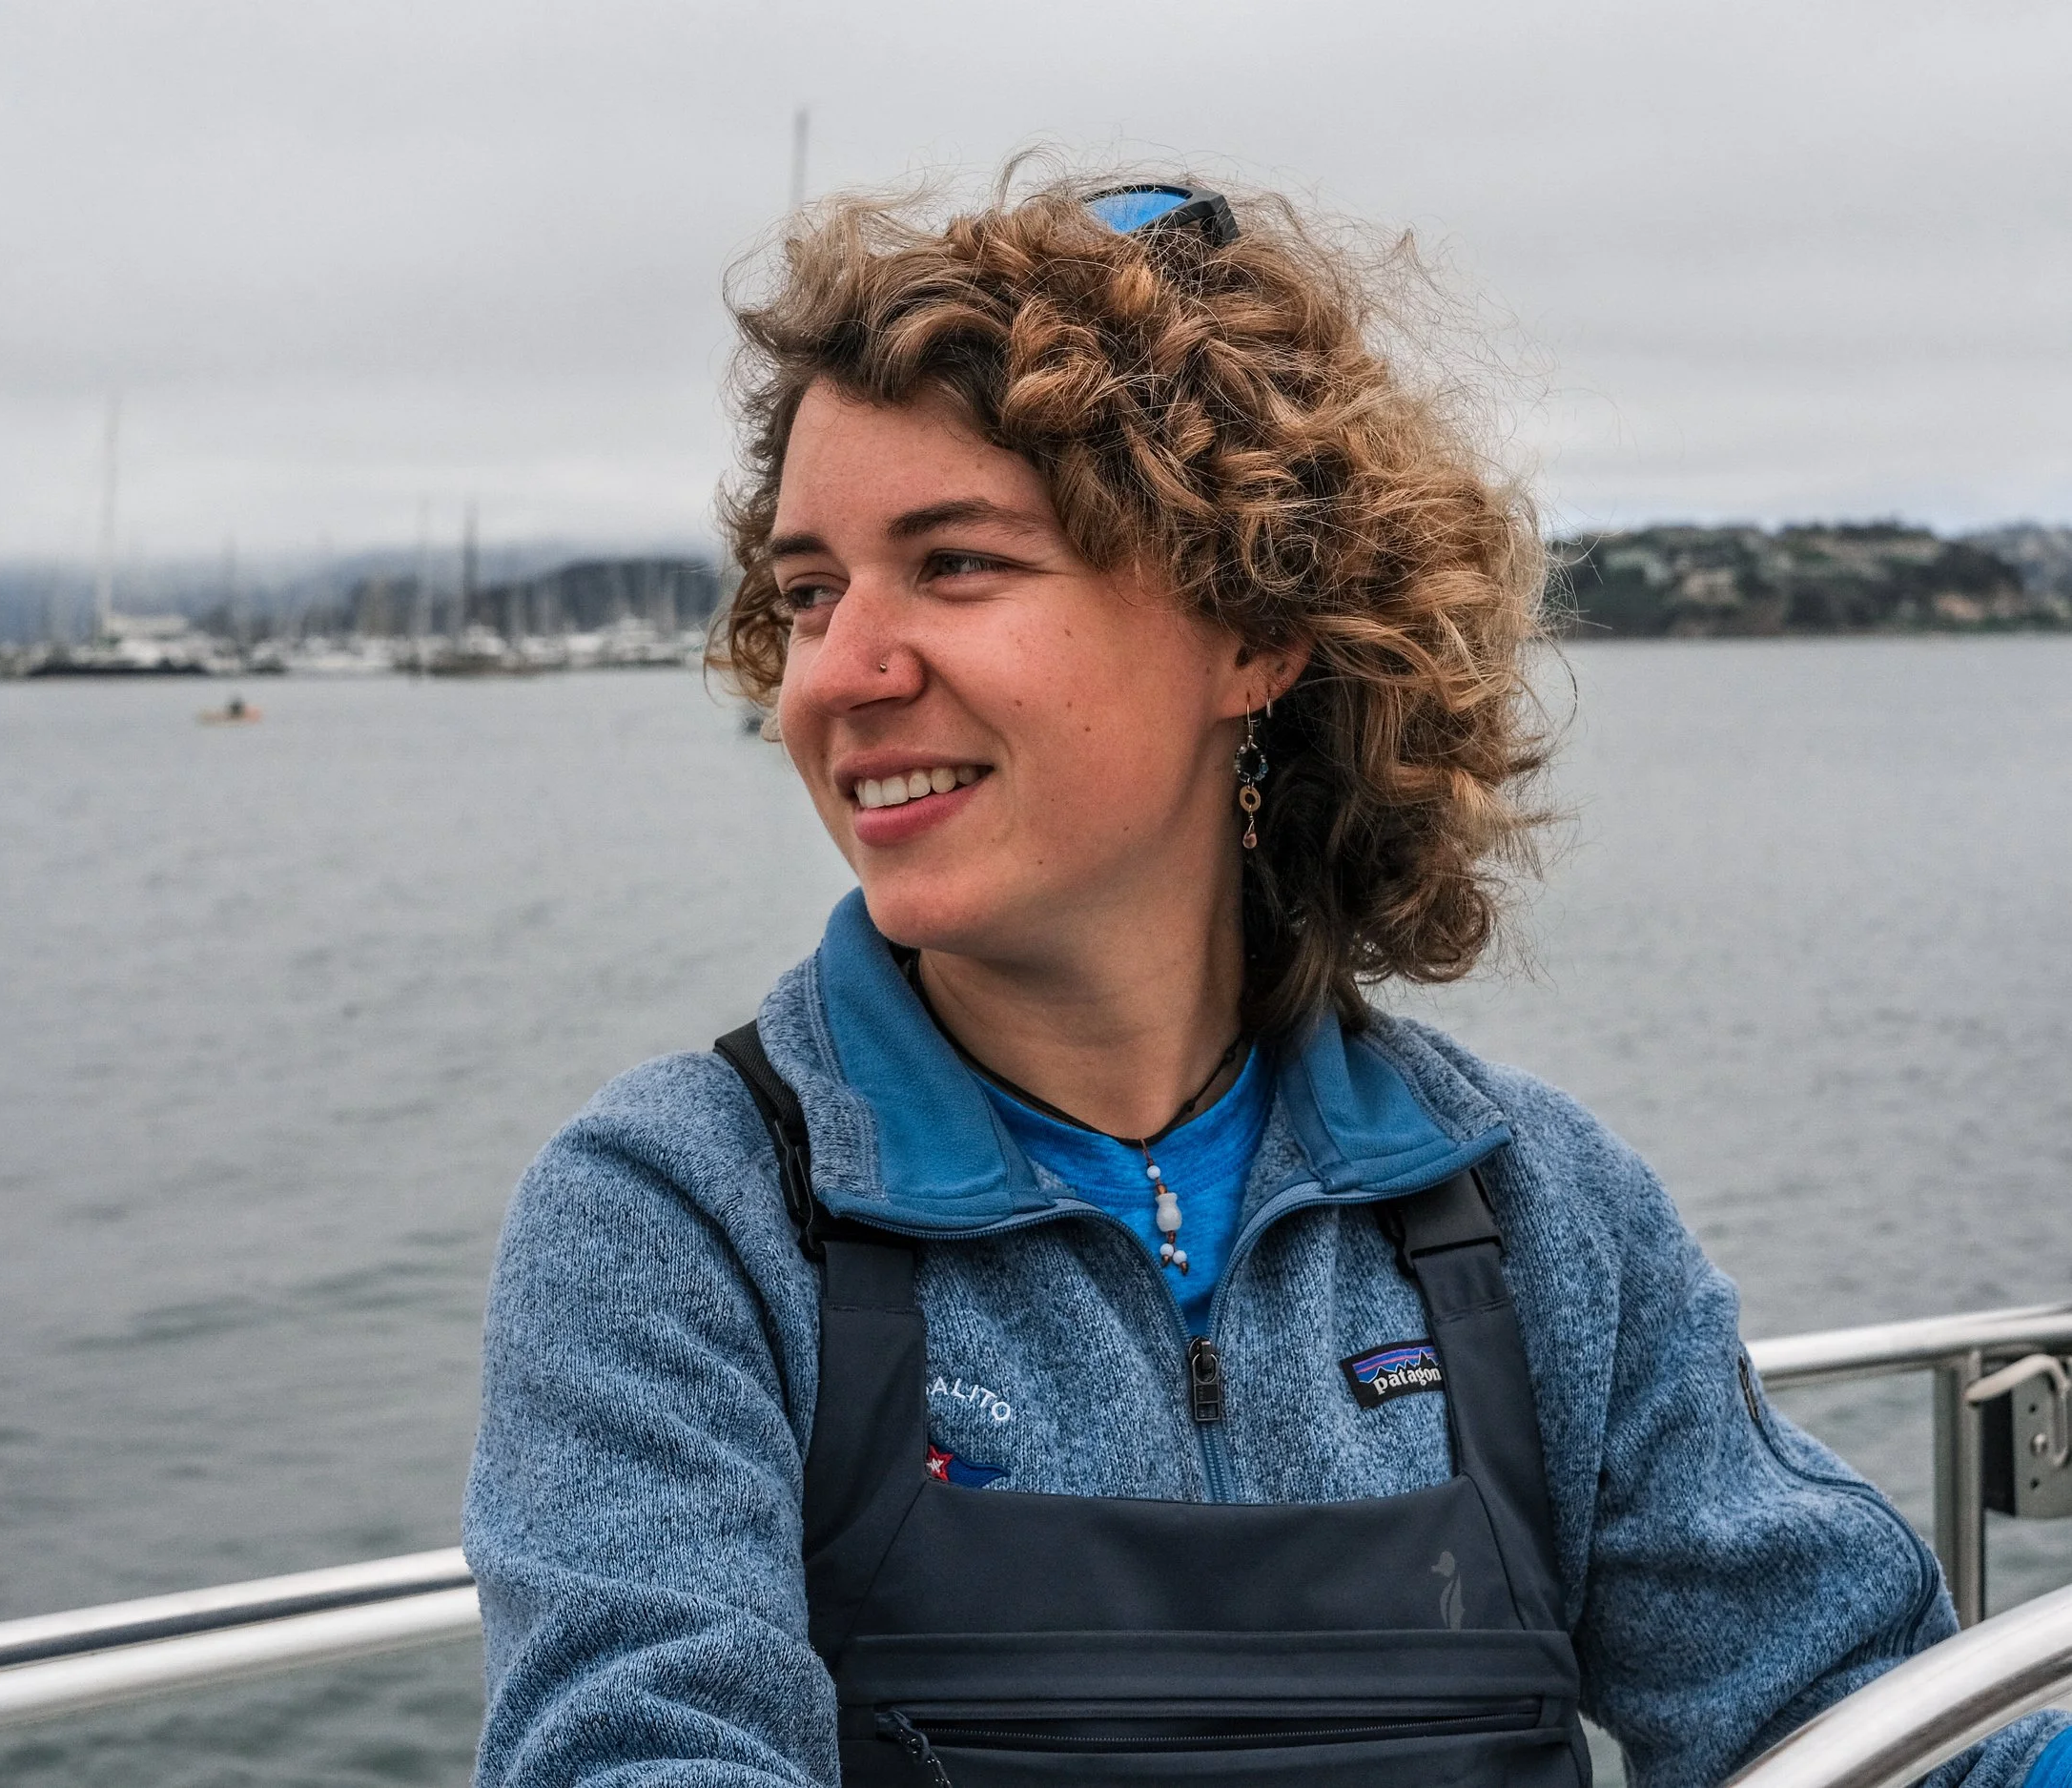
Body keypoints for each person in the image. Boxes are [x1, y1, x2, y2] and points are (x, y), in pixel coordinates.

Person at [464, 175, 2072, 1787]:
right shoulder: (688, 1216)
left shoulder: (1535, 1220)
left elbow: (1869, 1731)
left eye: (953, 563)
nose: (837, 671)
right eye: (809, 591)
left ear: (1252, 635)